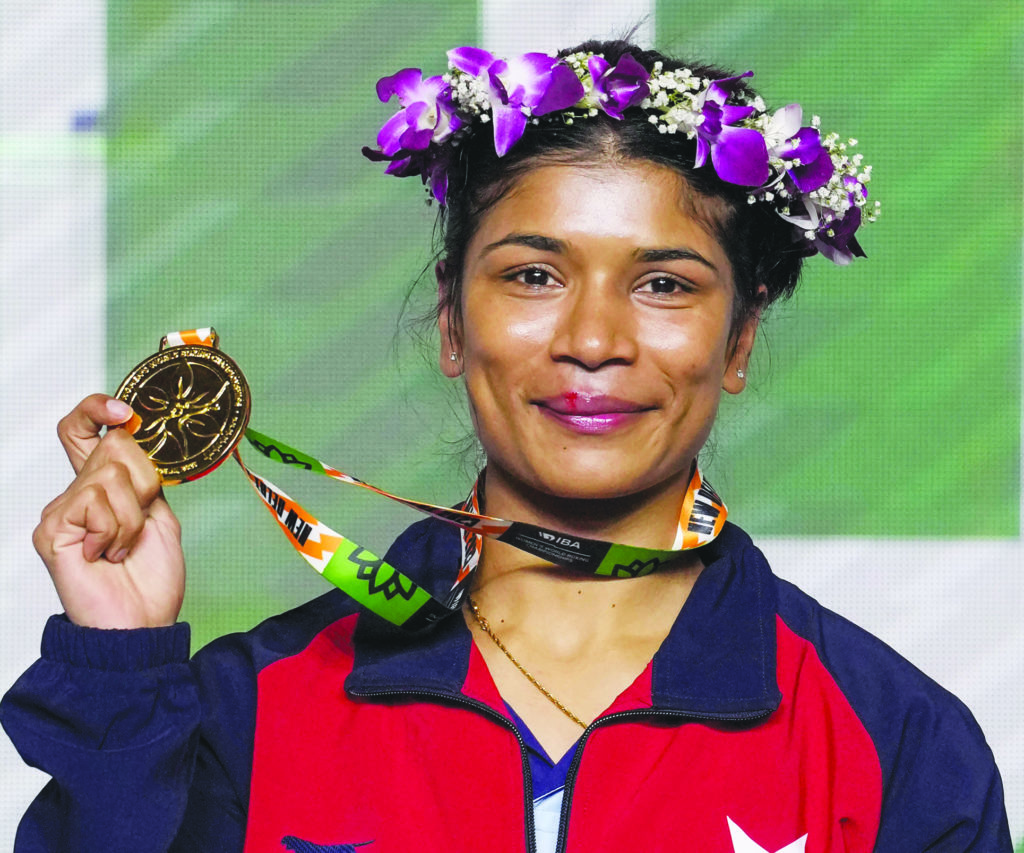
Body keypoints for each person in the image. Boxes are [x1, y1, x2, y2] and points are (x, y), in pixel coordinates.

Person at [1, 39, 1011, 852]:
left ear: (738, 339)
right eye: (533, 275)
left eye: (663, 283)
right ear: (451, 323)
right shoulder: (246, 714)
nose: (592, 339)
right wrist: (124, 665)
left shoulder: (892, 739)